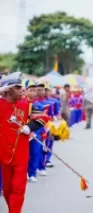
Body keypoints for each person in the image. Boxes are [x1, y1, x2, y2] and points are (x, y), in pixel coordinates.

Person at [0, 72, 49, 213]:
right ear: (7, 90)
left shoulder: (26, 106)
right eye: (18, 87)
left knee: (18, 188)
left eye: (22, 87)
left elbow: (44, 117)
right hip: (3, 154)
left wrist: (30, 127)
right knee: (8, 189)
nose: (22, 90)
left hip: (21, 155)